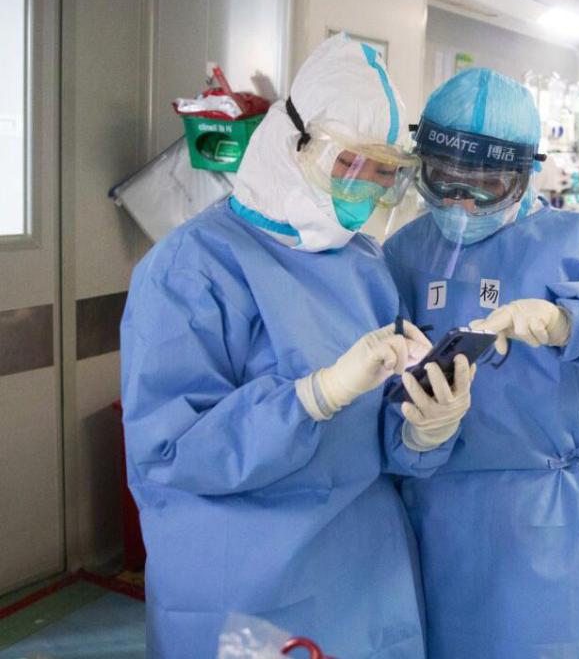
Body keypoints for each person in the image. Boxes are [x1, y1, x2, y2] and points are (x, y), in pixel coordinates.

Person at [120, 34, 474, 658]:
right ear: (293, 142)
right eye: (348, 166)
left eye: (383, 175)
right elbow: (170, 450)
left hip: (365, 573)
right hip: (245, 584)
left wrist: (424, 428)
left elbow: (383, 435)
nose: (362, 190)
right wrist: (312, 397)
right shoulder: (191, 267)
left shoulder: (365, 264)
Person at [382, 68, 579, 659]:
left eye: (486, 187)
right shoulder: (402, 254)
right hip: (433, 524)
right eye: (443, 181)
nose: (461, 203)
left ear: (526, 176)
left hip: (555, 531)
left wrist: (573, 320)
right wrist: (420, 431)